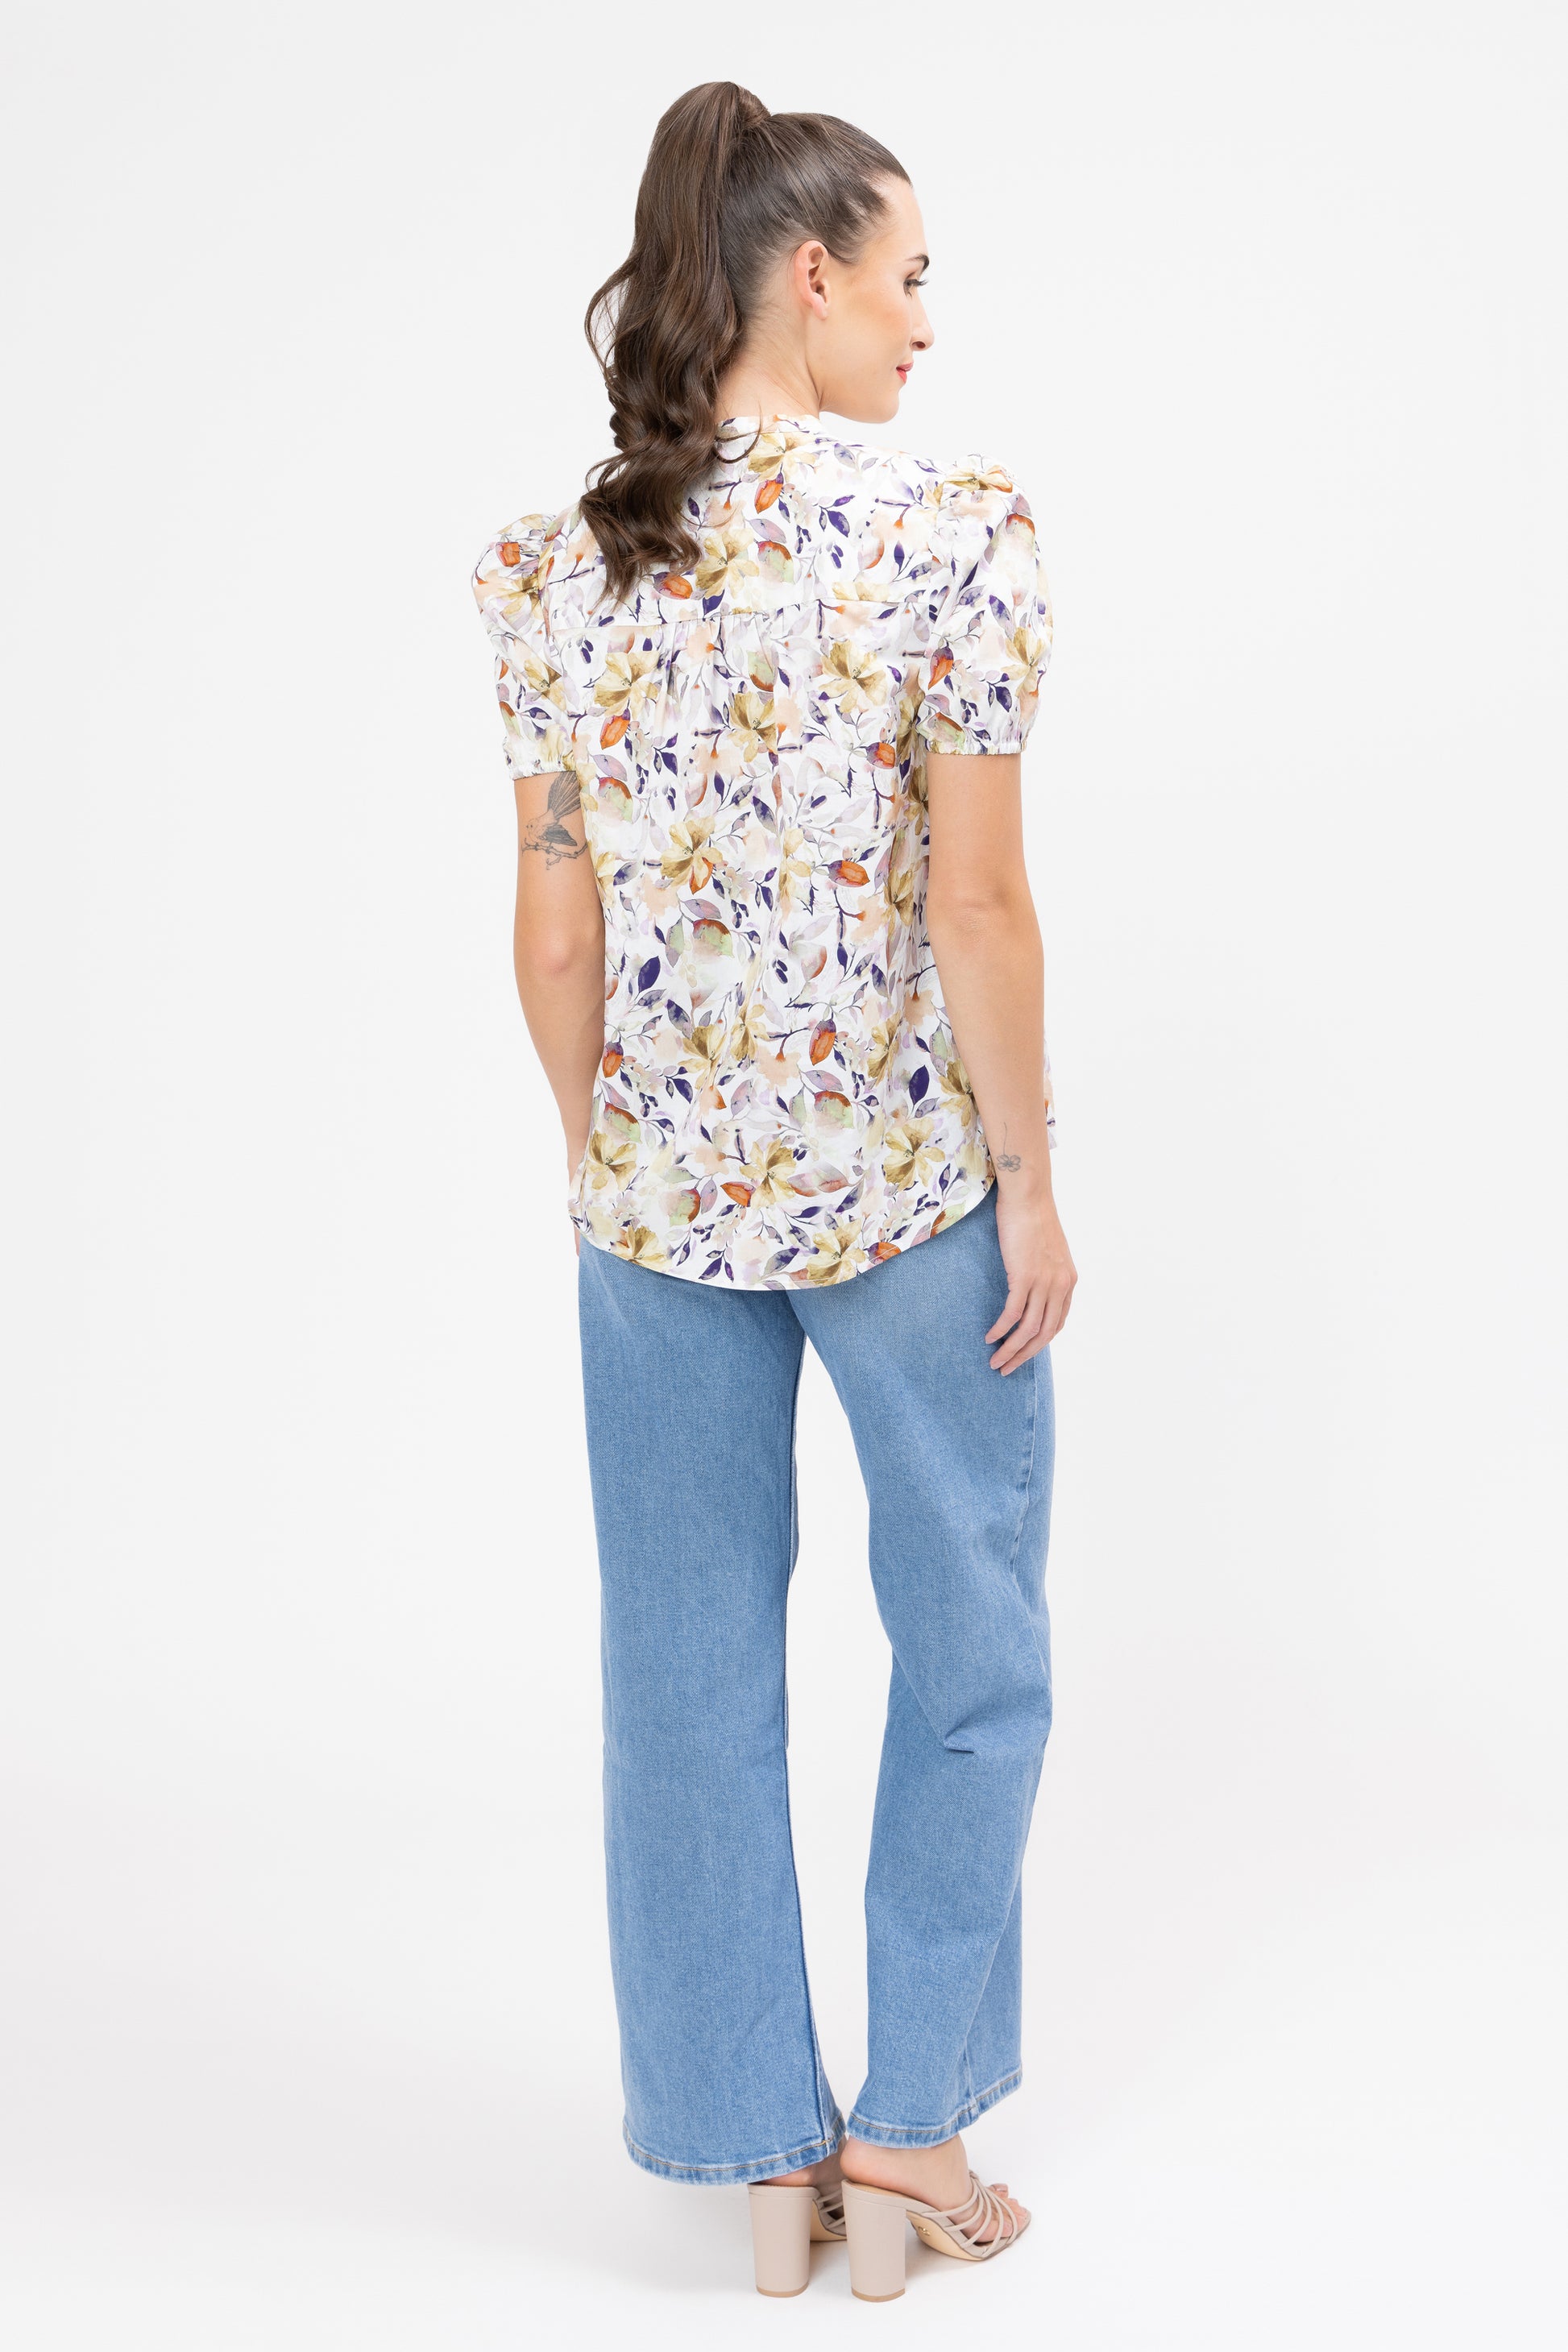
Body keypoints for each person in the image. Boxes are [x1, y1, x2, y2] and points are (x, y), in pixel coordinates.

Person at [471, 80, 1077, 2300]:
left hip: (654, 1213)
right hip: (908, 1195)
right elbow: (977, 908)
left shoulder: (553, 563)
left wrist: (606, 1157)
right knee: (971, 1650)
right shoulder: (955, 533)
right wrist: (1029, 1184)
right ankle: (910, 2130)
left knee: (684, 1675)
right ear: (807, 277)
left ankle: (756, 2162)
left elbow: (553, 933)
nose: (924, 323)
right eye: (905, 278)